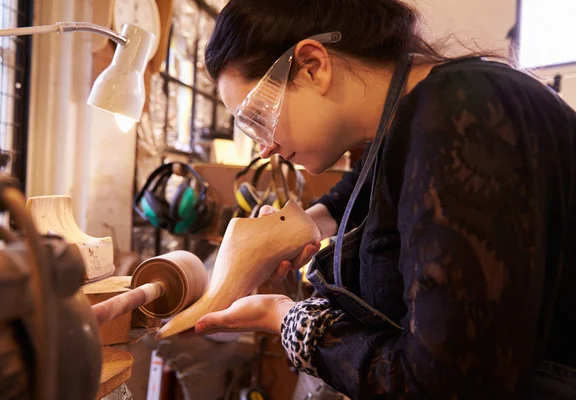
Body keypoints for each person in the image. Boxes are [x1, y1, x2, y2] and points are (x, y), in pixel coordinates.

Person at [190, 0, 576, 398]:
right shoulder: (414, 118)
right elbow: (362, 189)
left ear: (312, 67)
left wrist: (285, 319)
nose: (265, 147)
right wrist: (299, 226)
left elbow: (444, 383)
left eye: (257, 117)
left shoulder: (462, 116)